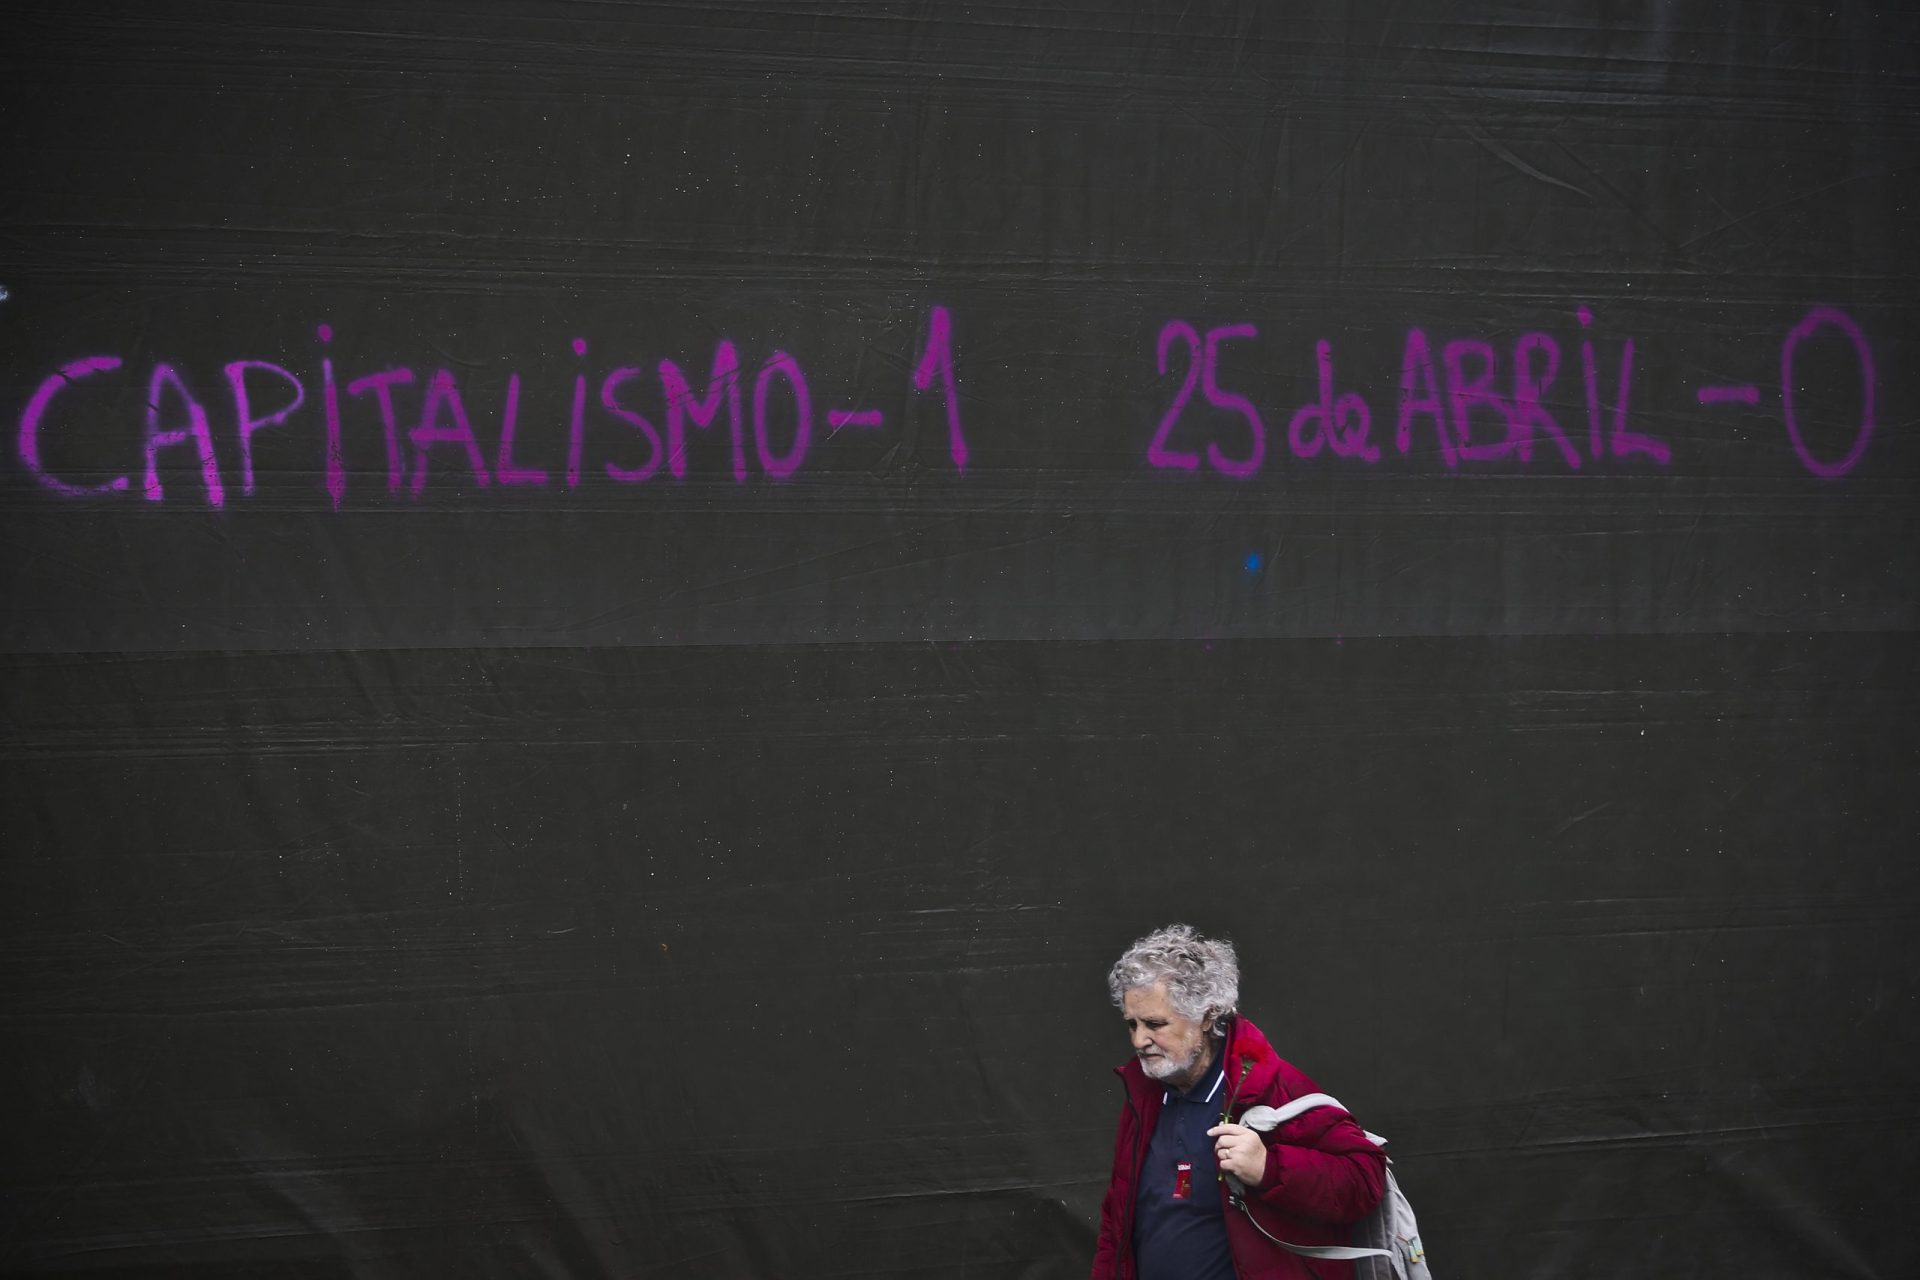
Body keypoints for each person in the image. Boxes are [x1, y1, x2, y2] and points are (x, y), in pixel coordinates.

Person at [1091, 924, 1386, 1280]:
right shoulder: (1147, 1094)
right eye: (1132, 1024)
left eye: (1155, 1023)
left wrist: (1270, 1167)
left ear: (1208, 1015)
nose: (1140, 1040)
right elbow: (1116, 1222)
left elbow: (1365, 1179)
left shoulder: (1271, 1087)